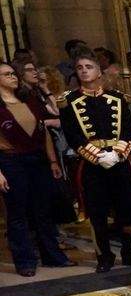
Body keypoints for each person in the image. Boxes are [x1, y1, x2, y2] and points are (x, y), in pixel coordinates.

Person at [59, 52, 131, 272]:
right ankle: (104, 256)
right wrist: (97, 156)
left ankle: (129, 251)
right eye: (80, 67)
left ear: (99, 71)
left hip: (119, 161)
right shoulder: (69, 101)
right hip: (92, 164)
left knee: (126, 210)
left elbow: (128, 131)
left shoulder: (118, 98)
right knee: (97, 212)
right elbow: (73, 135)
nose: (84, 70)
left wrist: (118, 154)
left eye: (89, 66)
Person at [0, 60, 69, 276]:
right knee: (18, 213)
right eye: (6, 74)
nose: (13, 77)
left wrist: (52, 161)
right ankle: (25, 261)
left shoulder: (28, 99)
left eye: (13, 73)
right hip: (11, 161)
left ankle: (52, 256)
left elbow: (44, 132)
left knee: (43, 210)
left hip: (37, 159)